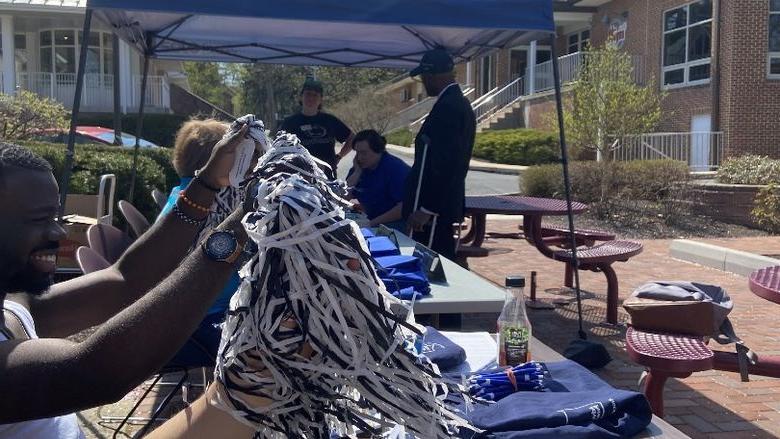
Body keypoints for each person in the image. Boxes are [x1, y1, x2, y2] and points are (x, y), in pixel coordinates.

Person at [0, 125, 249, 437]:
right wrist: (240, 226)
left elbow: (125, 280)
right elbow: (97, 372)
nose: (59, 233)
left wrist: (209, 182)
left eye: (55, 218)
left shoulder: (14, 306)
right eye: (39, 220)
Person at [156, 118, 242, 367]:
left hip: (178, 323)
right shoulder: (209, 208)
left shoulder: (180, 198)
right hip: (200, 328)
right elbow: (224, 281)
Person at [403, 48, 476, 260]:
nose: (423, 82)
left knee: (436, 264)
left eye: (425, 77)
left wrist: (428, 208)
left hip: (434, 213)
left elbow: (449, 163)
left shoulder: (450, 108)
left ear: (434, 75)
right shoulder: (453, 103)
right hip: (436, 209)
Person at [279, 77, 354, 177]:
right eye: (308, 94)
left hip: (327, 177)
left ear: (321, 100)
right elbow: (278, 148)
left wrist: (339, 156)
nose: (311, 98)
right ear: (301, 97)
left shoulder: (330, 120)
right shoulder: (290, 123)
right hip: (299, 177)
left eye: (315, 95)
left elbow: (352, 138)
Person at [346, 129, 410, 230]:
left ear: (378, 150)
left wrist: (371, 224)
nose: (359, 158)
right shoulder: (359, 168)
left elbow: (404, 208)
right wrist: (357, 173)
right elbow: (342, 199)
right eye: (357, 153)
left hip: (394, 224)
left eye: (363, 153)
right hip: (371, 219)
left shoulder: (396, 169)